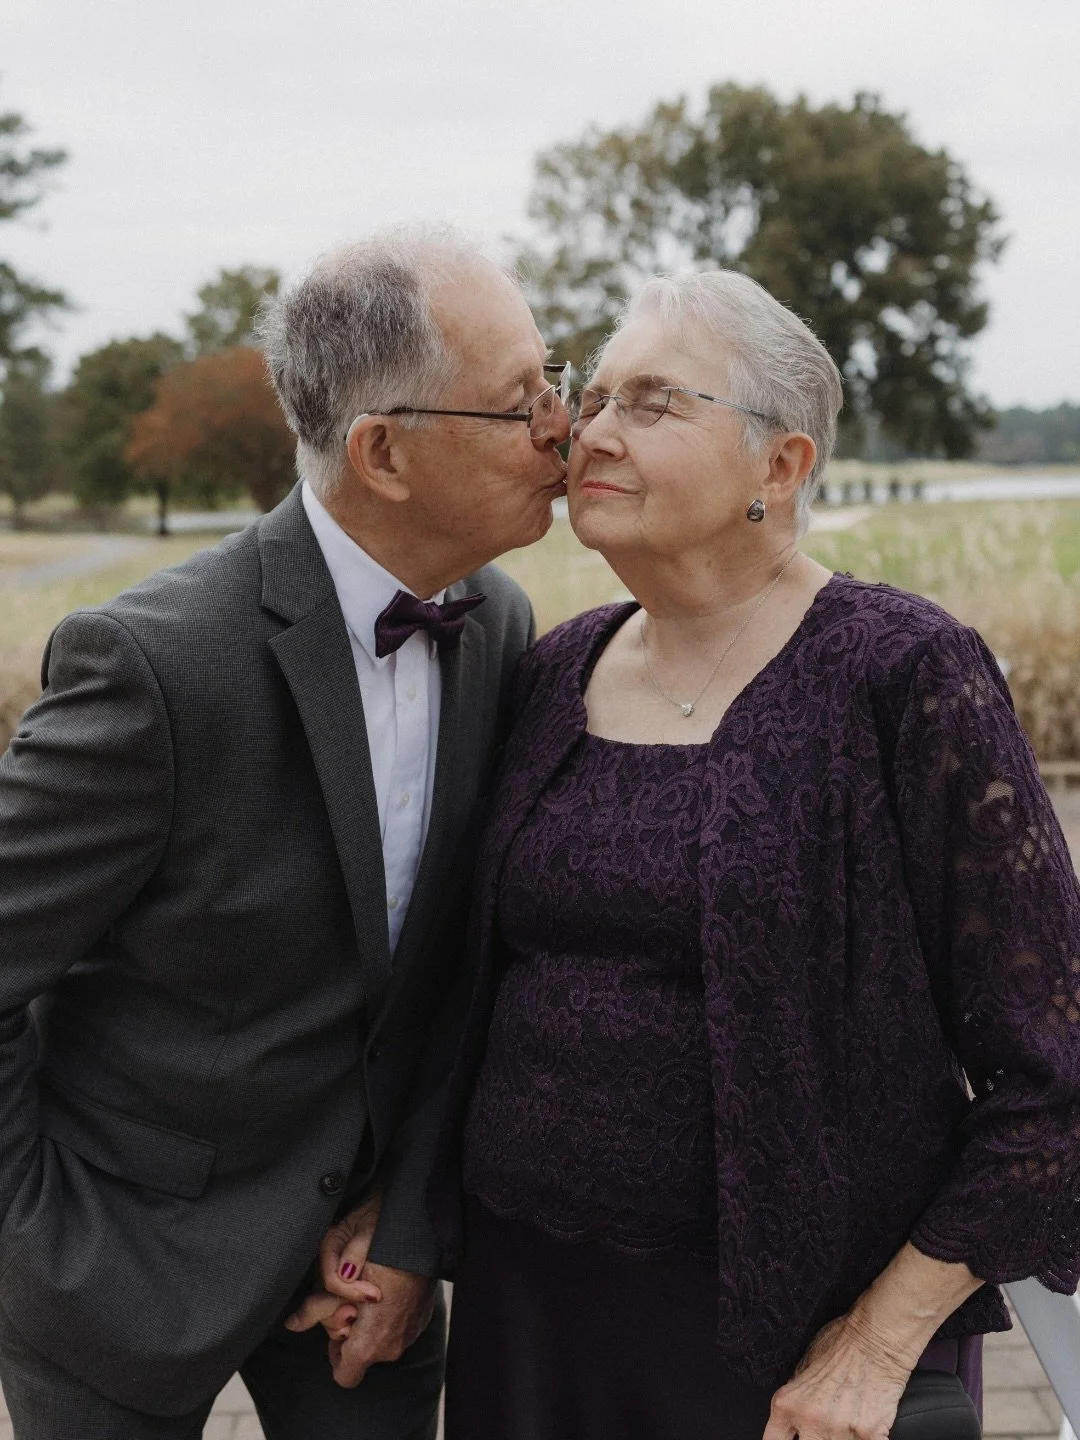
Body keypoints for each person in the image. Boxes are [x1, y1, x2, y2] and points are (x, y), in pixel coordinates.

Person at [429, 269, 1080, 1440]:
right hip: (526, 1315)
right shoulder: (552, 669)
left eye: (655, 402)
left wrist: (879, 1347)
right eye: (598, 394)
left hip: (781, 1346)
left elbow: (1054, 1071)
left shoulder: (902, 673)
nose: (592, 432)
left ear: (780, 468)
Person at [0, 228, 569, 1439]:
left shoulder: (503, 623)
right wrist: (40, 1241)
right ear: (385, 454)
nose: (562, 430)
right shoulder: (154, 663)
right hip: (118, 1272)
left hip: (370, 1279)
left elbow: (466, 967)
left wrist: (412, 1224)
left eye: (552, 383)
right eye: (521, 402)